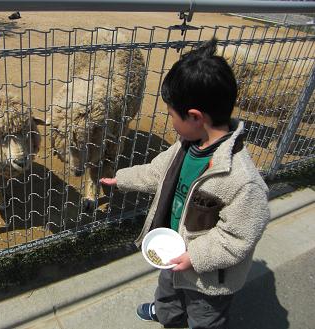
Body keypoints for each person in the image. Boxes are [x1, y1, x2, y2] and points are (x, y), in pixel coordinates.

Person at [100, 38, 270, 329]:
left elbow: (238, 237)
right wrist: (123, 179)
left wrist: (195, 257)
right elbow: (158, 172)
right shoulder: (187, 145)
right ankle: (168, 314)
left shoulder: (241, 180)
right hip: (174, 248)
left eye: (171, 115)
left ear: (194, 117)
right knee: (168, 292)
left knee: (205, 316)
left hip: (208, 277)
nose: (170, 122)